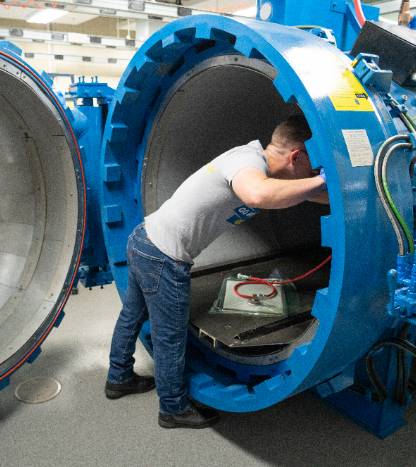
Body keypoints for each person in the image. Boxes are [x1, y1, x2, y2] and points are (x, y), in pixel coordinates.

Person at [105, 115, 328, 429]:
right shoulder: (246, 163)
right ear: (297, 156)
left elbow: (297, 193)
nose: (314, 172)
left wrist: (335, 192)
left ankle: (118, 377)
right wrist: (321, 181)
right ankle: (172, 408)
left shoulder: (256, 164)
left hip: (146, 240)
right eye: (313, 166)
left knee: (132, 314)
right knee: (170, 336)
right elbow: (259, 195)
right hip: (163, 257)